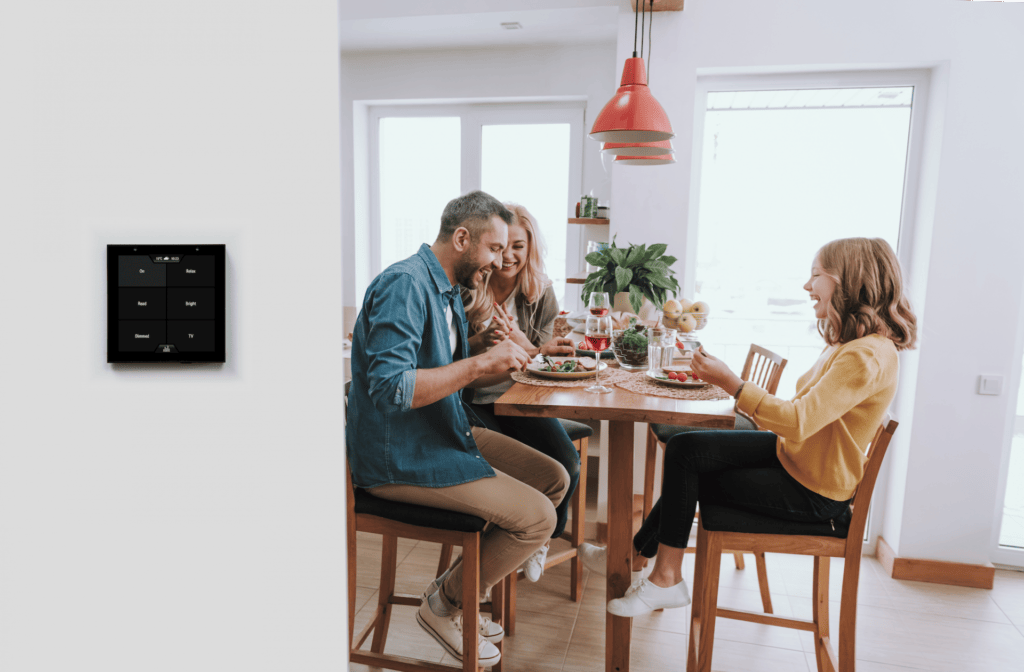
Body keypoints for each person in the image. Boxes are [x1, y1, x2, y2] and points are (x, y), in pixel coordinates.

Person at [580, 237, 917, 617]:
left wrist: (732, 384)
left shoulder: (866, 355)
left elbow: (797, 421)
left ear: (849, 280)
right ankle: (634, 556)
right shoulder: (853, 344)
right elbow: (801, 420)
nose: (808, 286)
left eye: (816, 275)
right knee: (686, 450)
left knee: (693, 478)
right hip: (796, 459)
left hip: (815, 492)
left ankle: (665, 578)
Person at [346, 191, 570, 666]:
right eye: (493, 249)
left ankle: (460, 590)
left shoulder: (445, 287)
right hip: (399, 455)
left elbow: (432, 363)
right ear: (462, 238)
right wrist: (478, 363)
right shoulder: (405, 285)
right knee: (538, 519)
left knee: (555, 478)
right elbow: (391, 388)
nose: (498, 261)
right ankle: (445, 603)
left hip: (439, 431)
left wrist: (474, 347)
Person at [461, 203, 579, 582]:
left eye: (519, 246)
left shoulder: (540, 293)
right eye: (502, 246)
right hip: (476, 401)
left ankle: (541, 539)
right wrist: (485, 342)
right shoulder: (469, 287)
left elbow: (542, 364)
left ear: (530, 249)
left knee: (566, 462)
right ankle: (500, 550)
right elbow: (452, 361)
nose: (508, 256)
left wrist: (527, 345)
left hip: (521, 398)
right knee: (513, 476)